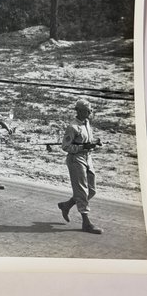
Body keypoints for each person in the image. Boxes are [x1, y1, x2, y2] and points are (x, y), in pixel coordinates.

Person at [58, 99, 103, 234]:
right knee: (82, 191)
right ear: (79, 111)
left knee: (92, 190)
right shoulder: (72, 127)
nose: (90, 112)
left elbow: (85, 141)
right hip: (76, 159)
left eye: (90, 110)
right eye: (87, 110)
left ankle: (67, 205)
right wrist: (83, 147)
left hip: (87, 157)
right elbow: (66, 147)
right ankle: (86, 223)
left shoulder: (87, 123)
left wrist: (94, 142)